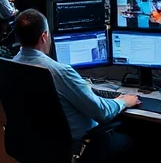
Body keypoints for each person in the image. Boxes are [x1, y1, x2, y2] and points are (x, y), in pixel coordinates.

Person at [9, 10, 139, 162]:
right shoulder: (59, 72)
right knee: (137, 137)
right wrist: (124, 101)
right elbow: (102, 113)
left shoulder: (12, 65)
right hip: (79, 145)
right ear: (44, 37)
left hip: (36, 145)